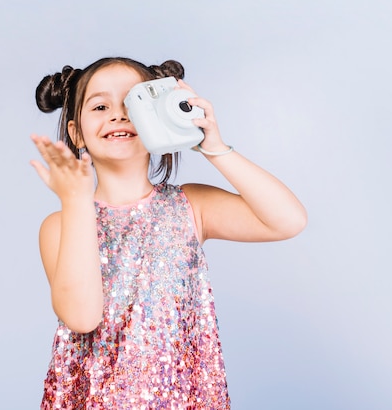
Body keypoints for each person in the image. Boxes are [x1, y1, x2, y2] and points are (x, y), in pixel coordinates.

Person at [31, 56, 307, 409]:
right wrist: (76, 200)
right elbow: (82, 317)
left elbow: (288, 220)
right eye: (100, 106)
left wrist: (213, 148)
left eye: (133, 103)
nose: (118, 115)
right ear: (76, 133)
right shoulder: (61, 225)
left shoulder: (190, 206)